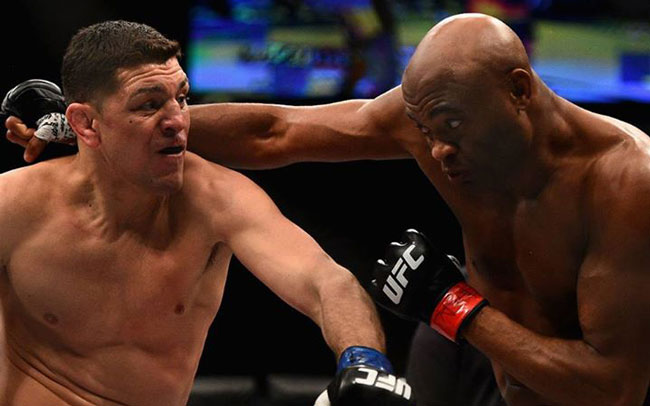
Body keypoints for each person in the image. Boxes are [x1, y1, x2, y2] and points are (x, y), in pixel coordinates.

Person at [6, 13, 650, 406]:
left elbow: (614, 386)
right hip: (482, 352)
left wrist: (440, 312)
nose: (436, 150)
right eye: (425, 129)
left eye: (450, 127)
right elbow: (276, 132)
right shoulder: (427, 119)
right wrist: (100, 134)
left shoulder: (624, 183)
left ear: (520, 93)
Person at [0, 20, 417, 406]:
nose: (178, 122)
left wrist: (364, 362)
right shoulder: (14, 204)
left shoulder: (215, 199)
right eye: (148, 104)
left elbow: (325, 281)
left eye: (182, 98)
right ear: (86, 124)